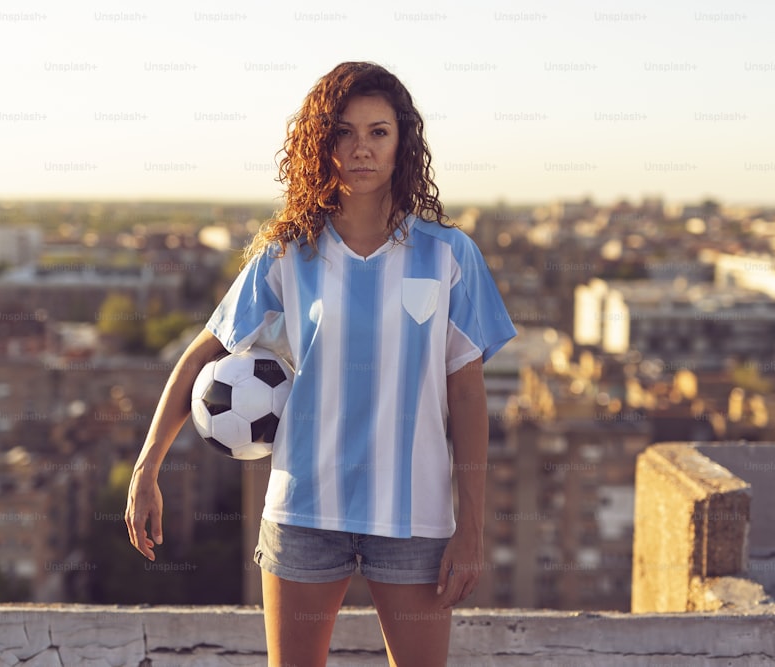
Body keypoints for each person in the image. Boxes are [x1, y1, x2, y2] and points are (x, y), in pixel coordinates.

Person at [125, 61, 516, 666]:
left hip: (413, 517)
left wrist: (472, 527)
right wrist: (147, 466)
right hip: (303, 509)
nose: (361, 148)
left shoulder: (449, 255)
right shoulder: (288, 250)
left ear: (402, 142)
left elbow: (467, 397)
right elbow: (204, 351)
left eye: (378, 132)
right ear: (320, 142)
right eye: (343, 132)